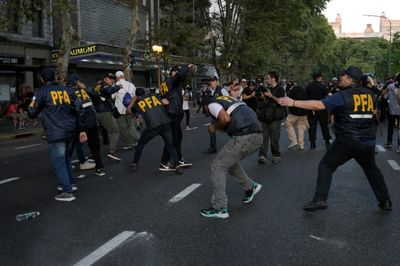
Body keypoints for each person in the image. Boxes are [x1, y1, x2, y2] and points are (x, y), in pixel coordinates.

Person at [277, 66, 392, 212]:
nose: (340, 77)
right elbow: (375, 111)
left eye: (343, 75)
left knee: (326, 166)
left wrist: (292, 102)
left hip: (348, 140)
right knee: (372, 170)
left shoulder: (343, 95)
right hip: (367, 141)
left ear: (350, 80)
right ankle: (385, 201)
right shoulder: (370, 94)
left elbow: (319, 105)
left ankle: (320, 200)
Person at [27, 67, 88, 202]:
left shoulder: (41, 92)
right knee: (65, 159)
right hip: (70, 130)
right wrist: (82, 129)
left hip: (55, 131)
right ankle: (70, 184)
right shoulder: (67, 90)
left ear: (42, 79)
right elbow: (80, 109)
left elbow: (31, 112)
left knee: (59, 162)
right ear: (55, 77)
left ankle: (67, 191)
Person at [200, 95, 263, 219]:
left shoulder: (212, 104)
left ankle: (219, 207)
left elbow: (225, 119)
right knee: (228, 163)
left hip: (245, 136)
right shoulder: (229, 100)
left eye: (204, 110)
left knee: (218, 166)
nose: (207, 113)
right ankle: (250, 187)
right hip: (257, 136)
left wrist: (213, 126)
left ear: (205, 105)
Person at [128, 88, 183, 174]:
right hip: (165, 122)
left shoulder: (138, 102)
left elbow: (128, 111)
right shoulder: (155, 96)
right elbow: (165, 101)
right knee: (170, 145)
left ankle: (135, 163)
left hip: (153, 126)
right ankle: (177, 165)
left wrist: (133, 100)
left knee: (141, 144)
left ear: (137, 96)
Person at [67, 74, 106, 176]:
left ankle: (66, 167)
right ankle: (100, 168)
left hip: (79, 124)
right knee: (95, 147)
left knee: (71, 146)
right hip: (92, 122)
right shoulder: (86, 90)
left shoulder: (68, 93)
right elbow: (97, 98)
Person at [159, 64, 195, 169]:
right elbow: (180, 74)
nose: (182, 77)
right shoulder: (172, 80)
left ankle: (175, 159)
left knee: (175, 137)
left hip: (171, 112)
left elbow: (162, 97)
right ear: (173, 72)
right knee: (174, 138)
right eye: (178, 73)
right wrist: (188, 67)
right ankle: (168, 161)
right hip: (172, 113)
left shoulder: (166, 83)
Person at [90, 73, 122, 161]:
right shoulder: (104, 86)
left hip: (97, 112)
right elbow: (108, 91)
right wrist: (118, 87)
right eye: (110, 78)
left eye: (113, 79)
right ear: (105, 79)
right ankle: (112, 152)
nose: (112, 80)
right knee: (115, 130)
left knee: (96, 134)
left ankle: (92, 154)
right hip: (104, 112)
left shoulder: (97, 86)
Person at [257, 71, 285, 164]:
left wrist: (271, 96)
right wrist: (262, 96)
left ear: (273, 78)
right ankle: (262, 155)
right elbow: (263, 101)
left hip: (275, 116)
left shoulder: (280, 89)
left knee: (274, 138)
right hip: (265, 115)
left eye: (268, 78)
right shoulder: (267, 88)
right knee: (263, 137)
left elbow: (280, 101)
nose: (266, 80)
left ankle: (276, 155)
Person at [114, 70, 140, 150]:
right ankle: (138, 139)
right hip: (129, 108)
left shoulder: (115, 85)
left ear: (117, 77)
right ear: (123, 76)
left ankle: (129, 143)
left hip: (120, 110)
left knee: (123, 128)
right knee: (130, 126)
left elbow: (112, 97)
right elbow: (136, 95)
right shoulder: (131, 85)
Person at [202, 76, 229, 154]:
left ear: (216, 81)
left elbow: (228, 100)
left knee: (230, 129)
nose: (211, 82)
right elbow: (205, 101)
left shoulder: (222, 90)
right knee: (211, 129)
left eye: (213, 81)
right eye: (210, 81)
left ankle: (237, 144)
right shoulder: (208, 91)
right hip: (214, 115)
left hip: (223, 114)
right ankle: (213, 148)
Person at [305, 72, 331, 149]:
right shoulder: (323, 86)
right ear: (319, 78)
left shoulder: (308, 87)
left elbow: (306, 97)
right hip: (321, 107)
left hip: (312, 108)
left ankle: (312, 142)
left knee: (312, 125)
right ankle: (327, 142)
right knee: (324, 125)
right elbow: (329, 95)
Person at [284, 85, 308, 150]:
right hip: (304, 112)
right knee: (301, 128)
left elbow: (288, 98)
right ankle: (301, 144)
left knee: (287, 123)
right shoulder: (305, 91)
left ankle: (293, 141)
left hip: (294, 112)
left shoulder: (293, 91)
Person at [382, 73, 400, 150]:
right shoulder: (392, 86)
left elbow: (385, 97)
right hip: (395, 110)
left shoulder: (391, 86)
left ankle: (389, 142)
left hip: (392, 110)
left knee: (391, 127)